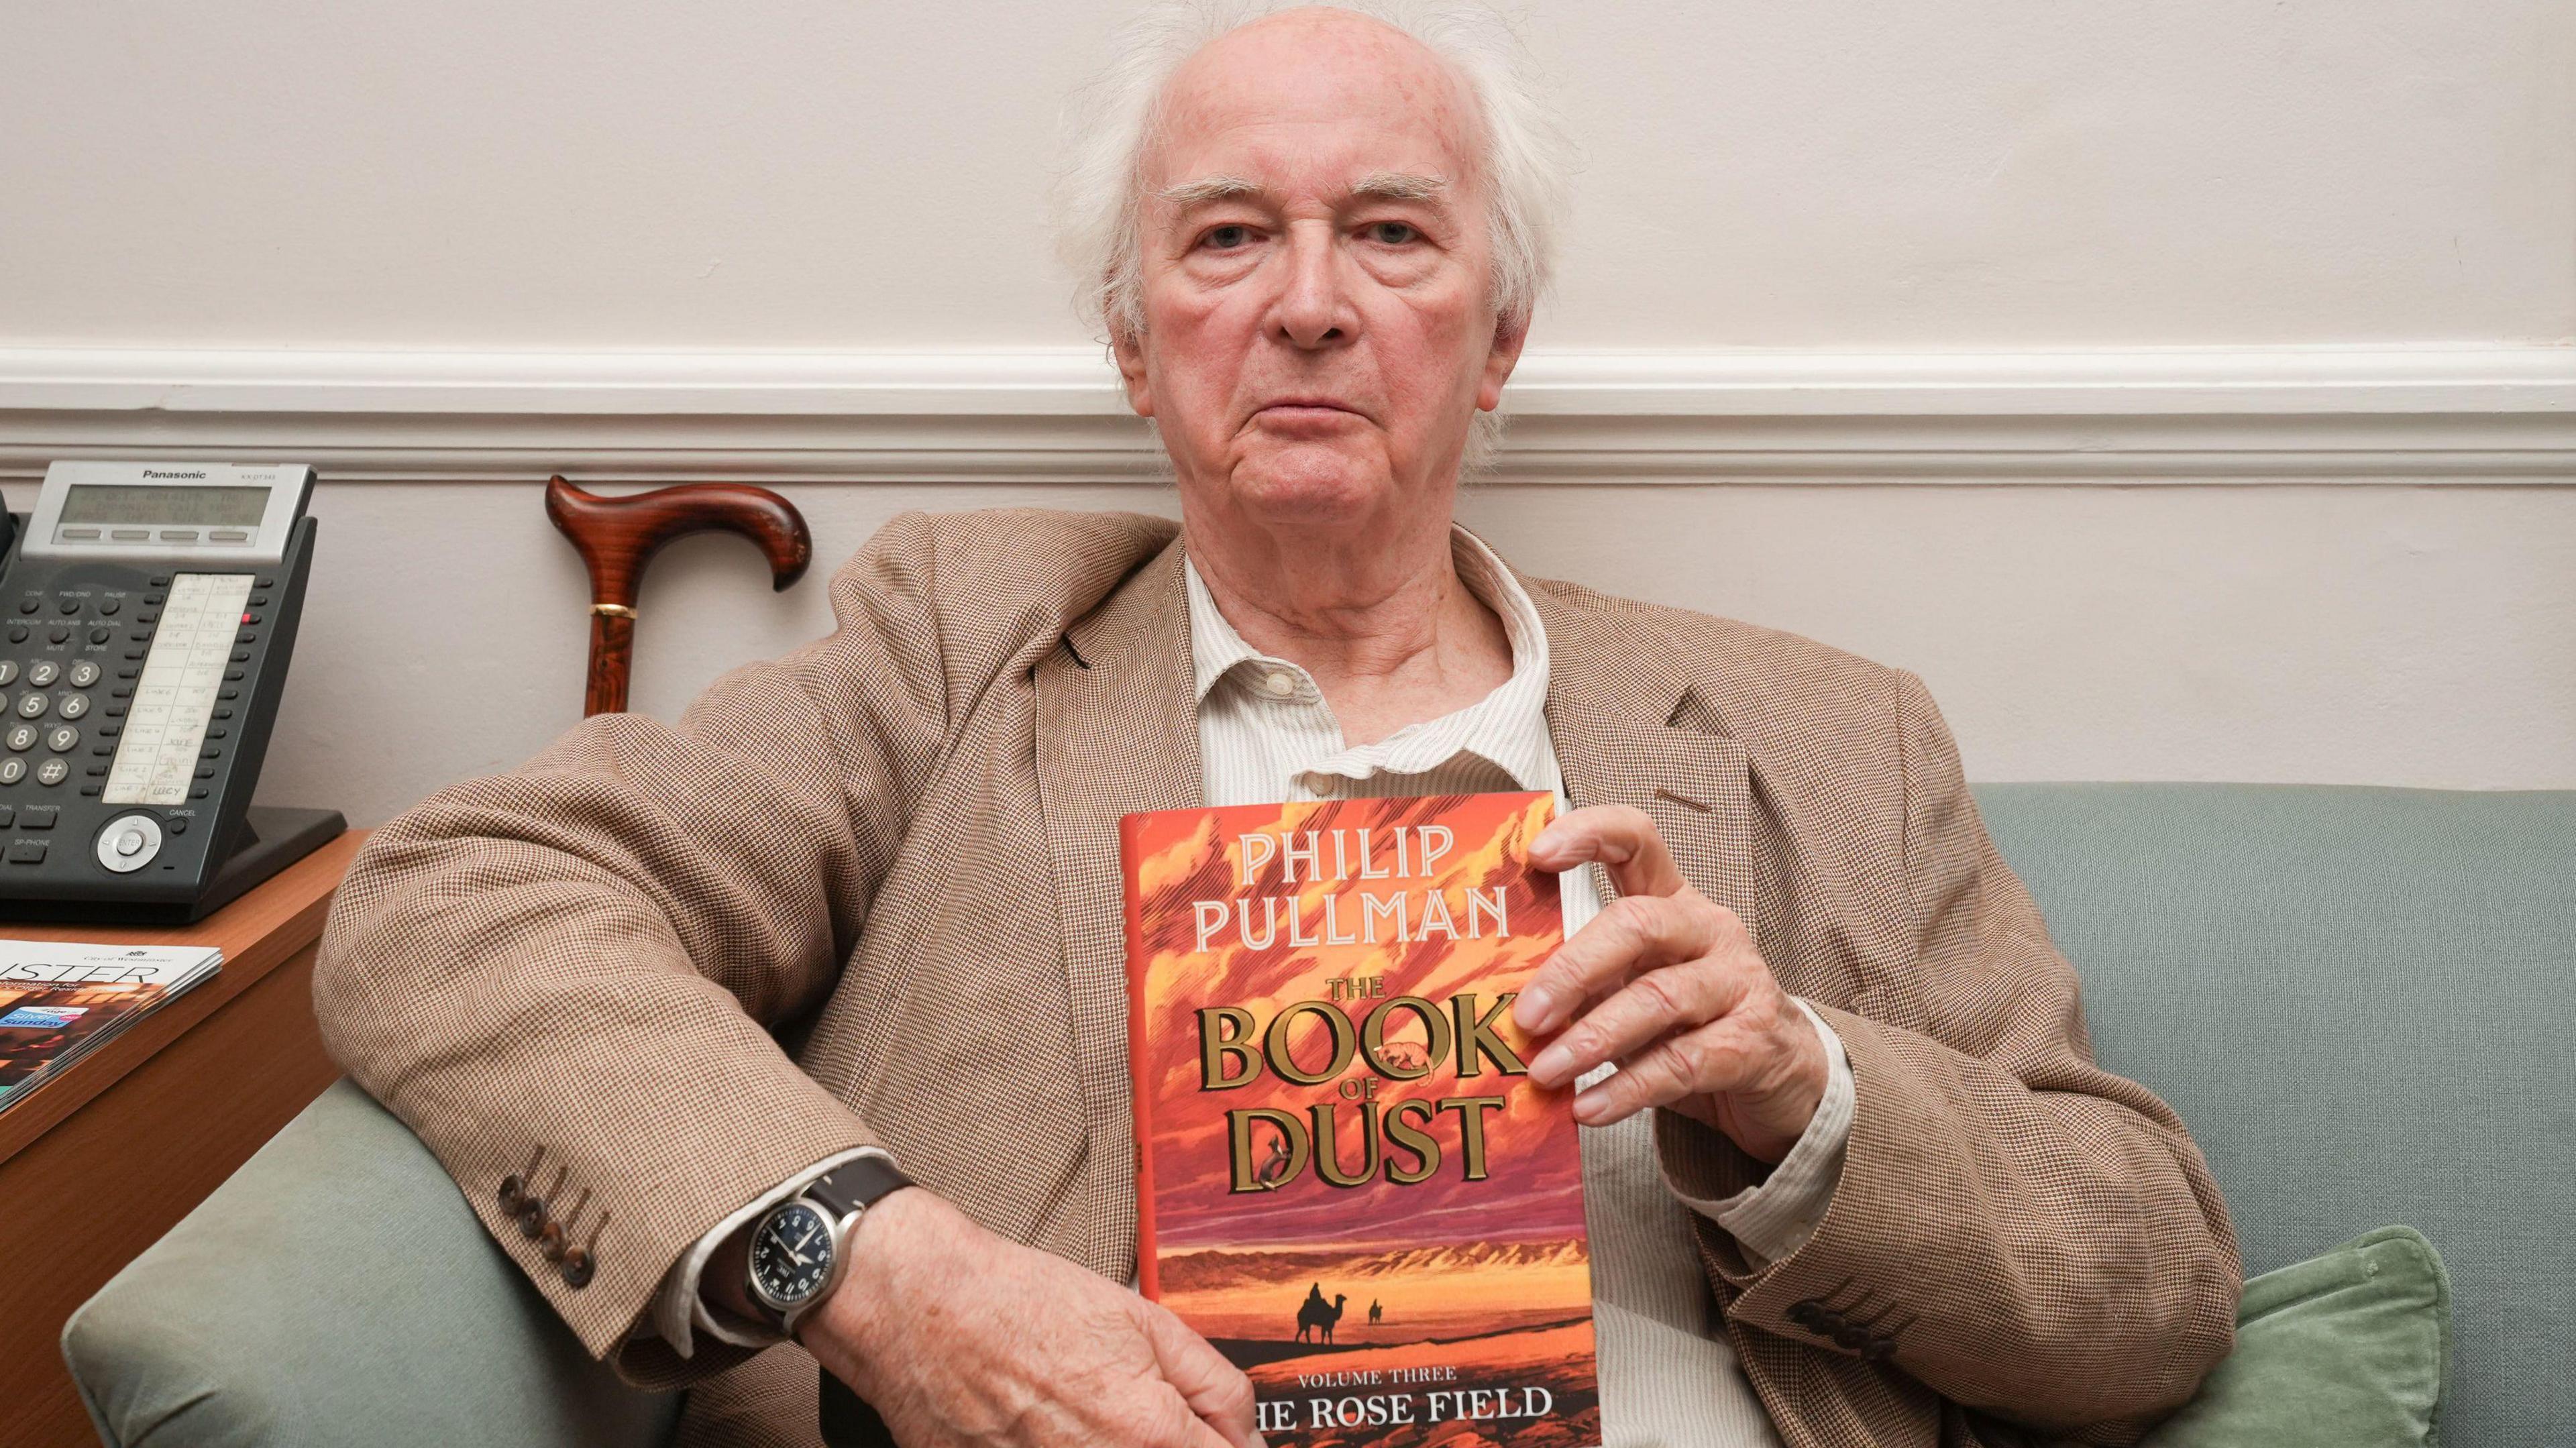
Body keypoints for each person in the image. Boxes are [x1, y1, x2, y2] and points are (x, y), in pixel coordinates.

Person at [314, 4, 2239, 1446]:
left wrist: (1801, 1090)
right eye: (1228, 238)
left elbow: (2150, 1289)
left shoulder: (1828, 731)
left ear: (1499, 340)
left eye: (1392, 236)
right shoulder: (958, 644)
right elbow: (460, 899)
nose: (1309, 306)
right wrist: (888, 1275)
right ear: (1133, 341)